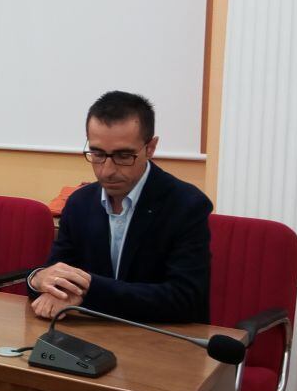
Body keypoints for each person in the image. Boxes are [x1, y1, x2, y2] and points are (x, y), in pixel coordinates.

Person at [26, 91, 212, 324]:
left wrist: (89, 290)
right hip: (90, 334)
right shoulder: (79, 203)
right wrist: (37, 278)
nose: (107, 170)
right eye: (97, 153)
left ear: (151, 147)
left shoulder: (186, 204)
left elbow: (184, 299)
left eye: (124, 156)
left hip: (163, 339)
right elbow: (58, 274)